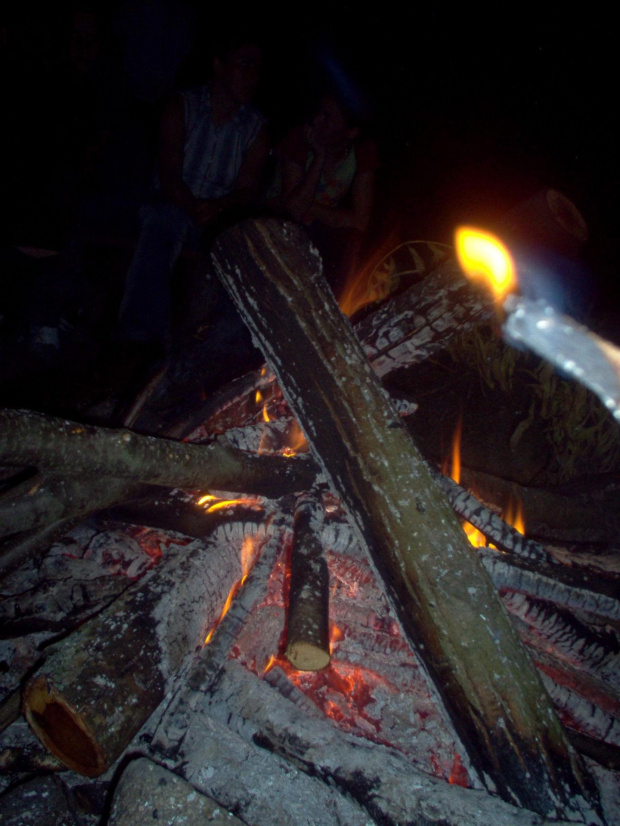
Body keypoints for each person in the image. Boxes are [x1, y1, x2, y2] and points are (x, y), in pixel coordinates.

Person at [116, 36, 269, 352]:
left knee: (236, 245)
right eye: (245, 64)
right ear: (219, 65)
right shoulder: (181, 106)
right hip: (174, 202)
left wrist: (215, 207)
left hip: (217, 213)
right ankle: (139, 339)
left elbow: (248, 188)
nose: (252, 75)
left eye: (257, 68)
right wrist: (194, 205)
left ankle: (213, 349)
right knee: (162, 221)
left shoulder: (255, 126)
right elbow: (169, 176)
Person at [274, 93, 378, 297]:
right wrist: (319, 158)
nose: (317, 120)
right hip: (273, 224)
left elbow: (360, 222)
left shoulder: (361, 152)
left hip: (317, 232)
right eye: (319, 113)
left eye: (327, 117)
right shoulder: (300, 138)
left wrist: (308, 206)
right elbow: (291, 211)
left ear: (351, 132)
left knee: (352, 246)